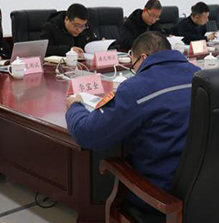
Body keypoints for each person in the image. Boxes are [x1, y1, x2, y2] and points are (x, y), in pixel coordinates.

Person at [65, 32, 200, 208]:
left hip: (159, 195)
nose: (135, 72)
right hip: (201, 187)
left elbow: (87, 134)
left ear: (142, 57)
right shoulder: (199, 75)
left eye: (134, 65)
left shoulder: (136, 88)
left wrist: (75, 107)